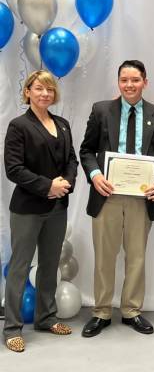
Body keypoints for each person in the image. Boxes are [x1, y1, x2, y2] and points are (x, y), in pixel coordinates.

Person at [79, 60, 154, 337]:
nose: (129, 85)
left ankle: (131, 310)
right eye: (124, 80)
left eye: (135, 80)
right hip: (106, 194)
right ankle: (102, 311)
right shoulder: (101, 110)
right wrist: (95, 175)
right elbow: (86, 150)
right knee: (104, 257)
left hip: (141, 197)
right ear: (118, 82)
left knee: (136, 256)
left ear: (145, 81)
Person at [3, 70, 78, 352]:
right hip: (28, 209)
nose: (45, 93)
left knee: (49, 265)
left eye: (49, 89)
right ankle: (11, 329)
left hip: (58, 207)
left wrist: (66, 184)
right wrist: (48, 185)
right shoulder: (18, 125)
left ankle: (46, 318)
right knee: (20, 268)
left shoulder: (63, 124)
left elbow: (71, 160)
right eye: (39, 88)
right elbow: (14, 169)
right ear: (27, 92)